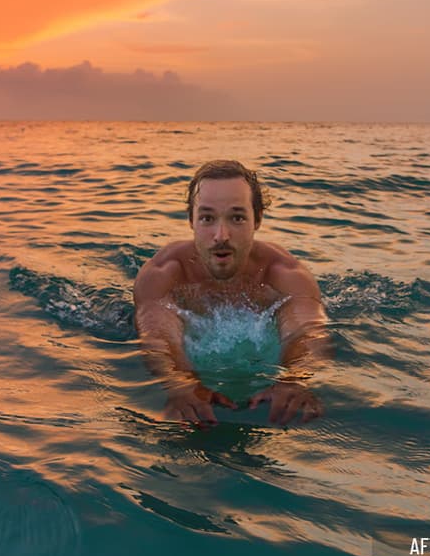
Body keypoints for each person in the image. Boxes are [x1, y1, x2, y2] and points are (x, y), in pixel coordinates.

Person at [132, 160, 331, 428]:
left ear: (257, 219)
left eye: (236, 217)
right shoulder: (164, 273)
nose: (221, 235)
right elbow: (157, 337)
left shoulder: (285, 274)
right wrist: (179, 383)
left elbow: (308, 332)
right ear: (191, 220)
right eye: (207, 218)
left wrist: (294, 379)